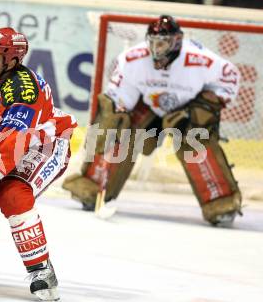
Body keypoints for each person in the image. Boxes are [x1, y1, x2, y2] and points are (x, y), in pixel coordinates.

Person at [62, 15, 242, 226]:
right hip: (147, 103)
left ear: (177, 40)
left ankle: (220, 201)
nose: (157, 49)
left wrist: (205, 107)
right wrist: (115, 116)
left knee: (195, 139)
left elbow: (230, 77)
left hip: (186, 108)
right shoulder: (132, 59)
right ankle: (94, 186)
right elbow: (119, 97)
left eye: (163, 42)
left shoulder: (201, 60)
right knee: (119, 129)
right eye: (153, 42)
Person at [0, 27, 77, 301]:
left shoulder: (21, 89)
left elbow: (14, 141)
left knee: (11, 193)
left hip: (44, 144)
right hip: (4, 142)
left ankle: (41, 269)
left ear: (11, 62)